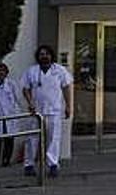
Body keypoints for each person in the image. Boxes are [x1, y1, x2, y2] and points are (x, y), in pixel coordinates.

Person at [22, 46, 72, 178]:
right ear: (38, 56)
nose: (44, 56)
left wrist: (68, 106)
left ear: (51, 55)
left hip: (54, 110)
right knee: (32, 138)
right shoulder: (31, 71)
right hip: (36, 111)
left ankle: (53, 165)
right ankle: (29, 165)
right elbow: (25, 89)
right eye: (41, 54)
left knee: (53, 139)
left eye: (47, 54)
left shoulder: (60, 70)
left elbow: (66, 88)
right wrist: (30, 102)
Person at [0, 63, 20, 168]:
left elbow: (17, 99)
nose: (1, 72)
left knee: (9, 139)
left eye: (3, 70)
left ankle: (6, 161)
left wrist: (16, 111)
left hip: (10, 114)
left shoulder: (11, 84)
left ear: (6, 72)